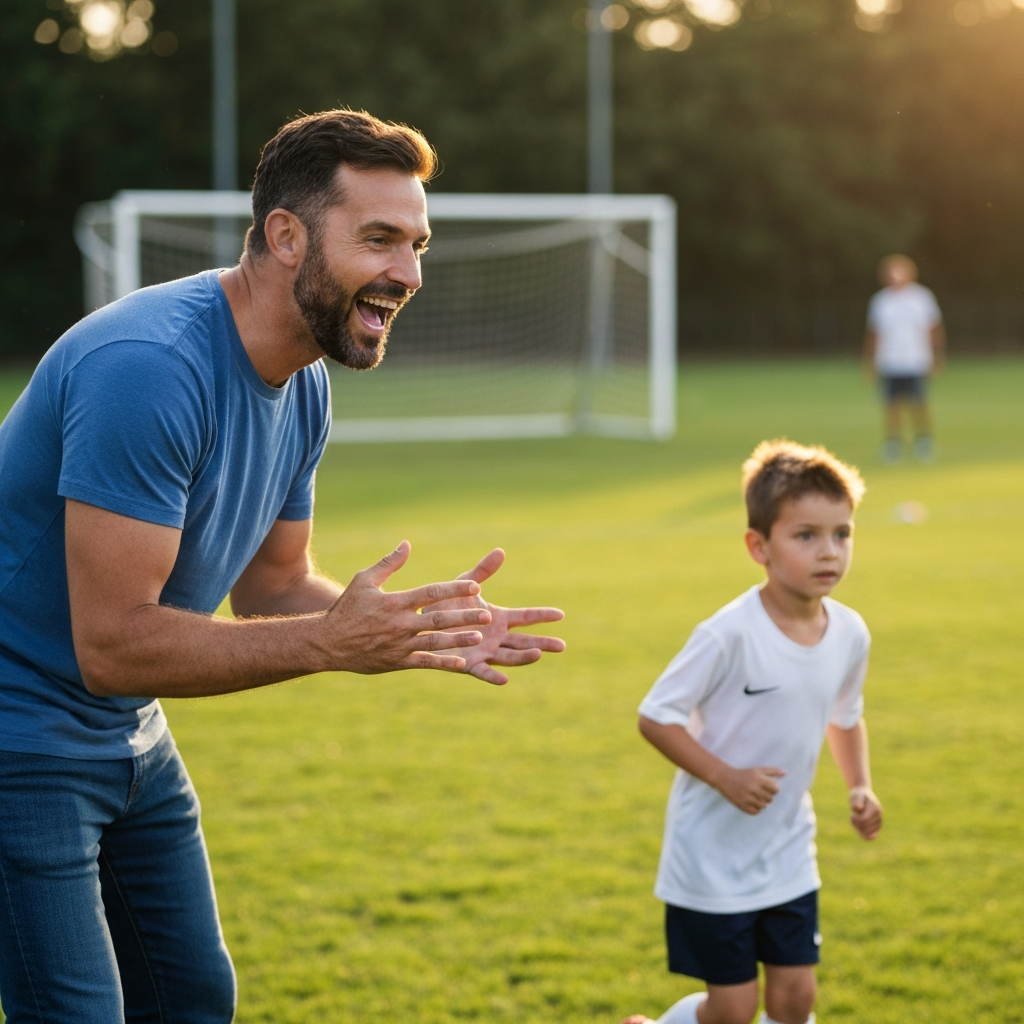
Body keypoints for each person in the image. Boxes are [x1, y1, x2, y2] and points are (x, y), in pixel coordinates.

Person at [0, 109, 565, 1023]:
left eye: (416, 244)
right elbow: (112, 645)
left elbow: (273, 583)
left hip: (126, 732)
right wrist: (330, 645)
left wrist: (415, 625)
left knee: (191, 998)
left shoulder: (304, 382)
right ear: (286, 235)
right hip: (19, 731)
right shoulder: (149, 367)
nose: (406, 275)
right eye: (379, 239)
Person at [622, 440, 883, 1024]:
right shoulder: (728, 635)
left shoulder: (850, 633)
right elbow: (654, 716)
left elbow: (846, 713)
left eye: (842, 534)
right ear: (758, 546)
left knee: (796, 1001)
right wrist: (726, 777)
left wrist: (860, 786)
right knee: (734, 1011)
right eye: (806, 535)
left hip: (788, 847)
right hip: (712, 856)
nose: (830, 552)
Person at [864, 253, 945, 463]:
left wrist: (937, 356)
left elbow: (933, 328)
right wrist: (870, 362)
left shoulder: (921, 298)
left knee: (918, 402)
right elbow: (875, 334)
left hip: (915, 360)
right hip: (890, 361)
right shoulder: (881, 301)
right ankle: (893, 442)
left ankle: (923, 440)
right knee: (892, 405)